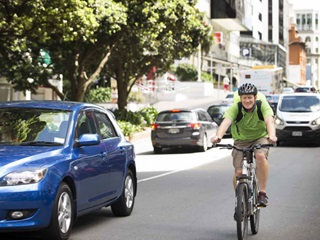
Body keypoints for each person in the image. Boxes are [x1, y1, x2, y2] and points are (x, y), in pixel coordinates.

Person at [211, 83, 277, 208]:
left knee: (261, 156)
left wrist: (272, 135)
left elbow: (269, 120)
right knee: (239, 172)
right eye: (244, 98)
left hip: (260, 137)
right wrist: (218, 136)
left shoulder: (262, 105)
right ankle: (240, 198)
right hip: (241, 140)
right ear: (240, 99)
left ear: (255, 97)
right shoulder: (236, 107)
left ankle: (262, 193)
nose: (247, 100)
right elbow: (226, 122)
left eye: (250, 97)